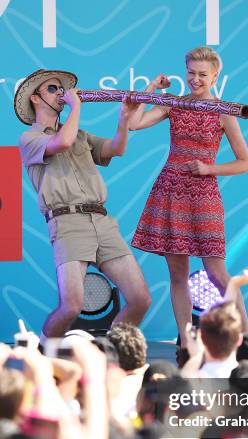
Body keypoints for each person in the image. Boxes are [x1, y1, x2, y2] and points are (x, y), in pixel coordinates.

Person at [128, 47, 248, 350]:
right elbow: (133, 123)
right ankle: (185, 341)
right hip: (170, 191)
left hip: (204, 195)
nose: (196, 79)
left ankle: (246, 339)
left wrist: (209, 168)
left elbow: (245, 163)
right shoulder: (174, 104)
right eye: (191, 73)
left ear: (215, 76)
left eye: (202, 74)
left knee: (217, 272)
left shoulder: (224, 111)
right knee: (177, 274)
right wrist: (151, 90)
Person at [14, 69, 151, 345]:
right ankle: (43, 353)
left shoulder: (80, 135)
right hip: (67, 222)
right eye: (53, 89)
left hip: (102, 220)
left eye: (62, 89)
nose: (62, 94)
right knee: (72, 306)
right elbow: (61, 142)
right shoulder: (29, 138)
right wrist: (76, 106)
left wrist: (124, 118)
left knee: (140, 299)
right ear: (36, 99)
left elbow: (116, 148)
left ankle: (113, 354)